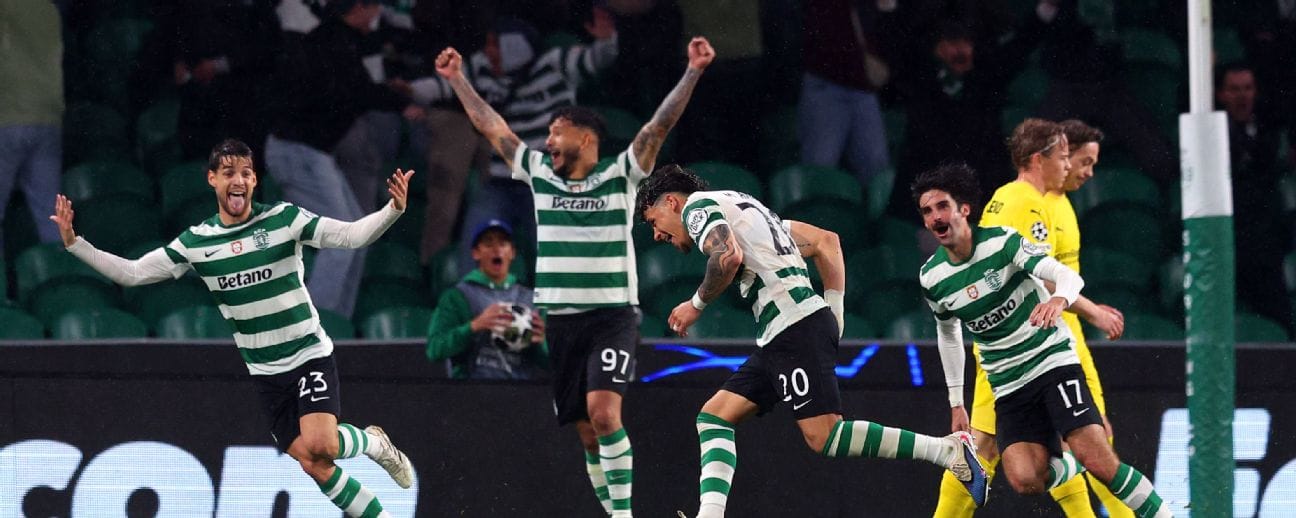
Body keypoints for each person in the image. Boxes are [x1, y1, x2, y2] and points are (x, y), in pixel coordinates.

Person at [50, 139, 416, 518]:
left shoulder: (284, 220)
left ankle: (374, 444)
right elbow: (133, 273)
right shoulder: (197, 243)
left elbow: (351, 235)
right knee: (313, 463)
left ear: (254, 180)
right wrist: (76, 244)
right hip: (265, 371)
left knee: (322, 444)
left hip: (307, 354)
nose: (238, 180)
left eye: (245, 173)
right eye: (228, 173)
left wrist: (393, 209)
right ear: (213, 179)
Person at [434, 35, 716, 518]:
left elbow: (659, 125)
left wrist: (693, 71)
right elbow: (492, 127)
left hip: (611, 317)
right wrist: (458, 79)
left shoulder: (621, 174)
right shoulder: (539, 173)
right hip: (560, 321)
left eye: (556, 132)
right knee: (587, 432)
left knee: (605, 415)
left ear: (585, 138)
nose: (547, 142)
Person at [635, 164, 987, 518]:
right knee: (714, 417)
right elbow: (826, 241)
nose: (657, 235)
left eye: (653, 221)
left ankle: (946, 451)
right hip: (784, 332)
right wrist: (835, 315)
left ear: (671, 202)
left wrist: (695, 305)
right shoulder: (750, 210)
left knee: (825, 436)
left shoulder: (697, 208)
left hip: (792, 327)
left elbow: (727, 257)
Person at [912, 162, 1173, 518]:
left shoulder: (1003, 242)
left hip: (1051, 363)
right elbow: (948, 334)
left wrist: (1058, 300)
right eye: (927, 211)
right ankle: (1074, 460)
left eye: (942, 206)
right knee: (1025, 479)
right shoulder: (933, 277)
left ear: (965, 210)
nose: (935, 217)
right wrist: (956, 402)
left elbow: (1066, 277)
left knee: (1101, 462)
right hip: (1008, 386)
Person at [409, 10, 620, 273]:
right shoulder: (483, 67)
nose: (488, 51)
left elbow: (595, 58)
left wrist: (607, 40)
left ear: (514, 47)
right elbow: (442, 85)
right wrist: (408, 90)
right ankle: (471, 297)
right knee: (476, 249)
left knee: (556, 256)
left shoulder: (554, 63)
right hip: (501, 182)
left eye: (494, 44)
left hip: (547, 182)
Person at [264, 0, 424, 318]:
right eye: (374, 8)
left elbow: (358, 85)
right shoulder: (333, 41)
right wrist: (401, 103)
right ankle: (314, 324)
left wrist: (391, 94)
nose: (377, 15)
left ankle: (338, 323)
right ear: (360, 8)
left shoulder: (339, 39)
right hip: (297, 151)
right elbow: (357, 90)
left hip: (312, 152)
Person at [1215, 63, 1292, 332]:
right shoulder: (1213, 136)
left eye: (1247, 88)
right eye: (1234, 89)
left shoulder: (1270, 133)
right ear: (1221, 94)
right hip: (1227, 241)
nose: (1242, 96)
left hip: (1265, 244)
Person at [425, 218, 549, 379]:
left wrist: (541, 343)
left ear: (512, 252)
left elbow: (550, 363)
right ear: (475, 253)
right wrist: (474, 326)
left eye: (503, 243)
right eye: (488, 243)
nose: (496, 249)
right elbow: (435, 350)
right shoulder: (456, 297)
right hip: (471, 389)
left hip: (519, 390)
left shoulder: (530, 299)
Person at [0, 0, 63, 261]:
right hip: (48, 118)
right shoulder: (48, 8)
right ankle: (63, 275)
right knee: (51, 217)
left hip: (7, 116)